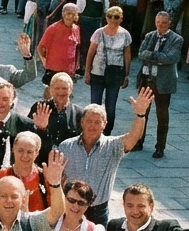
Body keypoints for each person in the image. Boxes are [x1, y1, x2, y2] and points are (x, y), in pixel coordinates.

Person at [56, 92, 152, 224]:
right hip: (71, 208)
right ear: (82, 122)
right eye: (89, 121)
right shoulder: (65, 146)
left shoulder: (112, 146)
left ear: (104, 124)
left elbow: (133, 137)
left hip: (98, 212)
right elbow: (58, 177)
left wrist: (140, 114)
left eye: (97, 122)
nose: (92, 126)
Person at [136, 11, 185, 158]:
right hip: (146, 79)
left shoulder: (177, 39)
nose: (160, 25)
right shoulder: (149, 36)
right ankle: (139, 141)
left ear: (169, 23)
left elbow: (172, 58)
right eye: (158, 22)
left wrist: (152, 55)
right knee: (142, 113)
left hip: (162, 82)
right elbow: (140, 54)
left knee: (162, 115)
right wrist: (158, 58)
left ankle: (160, 147)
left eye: (164, 22)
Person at [84, 6, 133, 135]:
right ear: (106, 18)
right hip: (97, 72)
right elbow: (91, 52)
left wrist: (126, 74)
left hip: (115, 73)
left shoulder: (125, 34)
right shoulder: (99, 32)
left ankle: (107, 132)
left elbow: (127, 54)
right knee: (95, 104)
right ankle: (92, 131)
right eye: (109, 16)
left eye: (116, 17)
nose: (112, 19)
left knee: (111, 106)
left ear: (121, 19)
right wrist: (87, 71)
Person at [37, 4, 82, 85]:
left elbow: (76, 48)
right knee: (51, 89)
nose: (70, 16)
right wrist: (44, 61)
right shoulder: (53, 28)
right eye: (68, 13)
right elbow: (40, 47)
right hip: (54, 68)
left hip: (69, 69)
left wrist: (76, 65)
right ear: (63, 14)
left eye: (74, 14)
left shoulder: (76, 28)